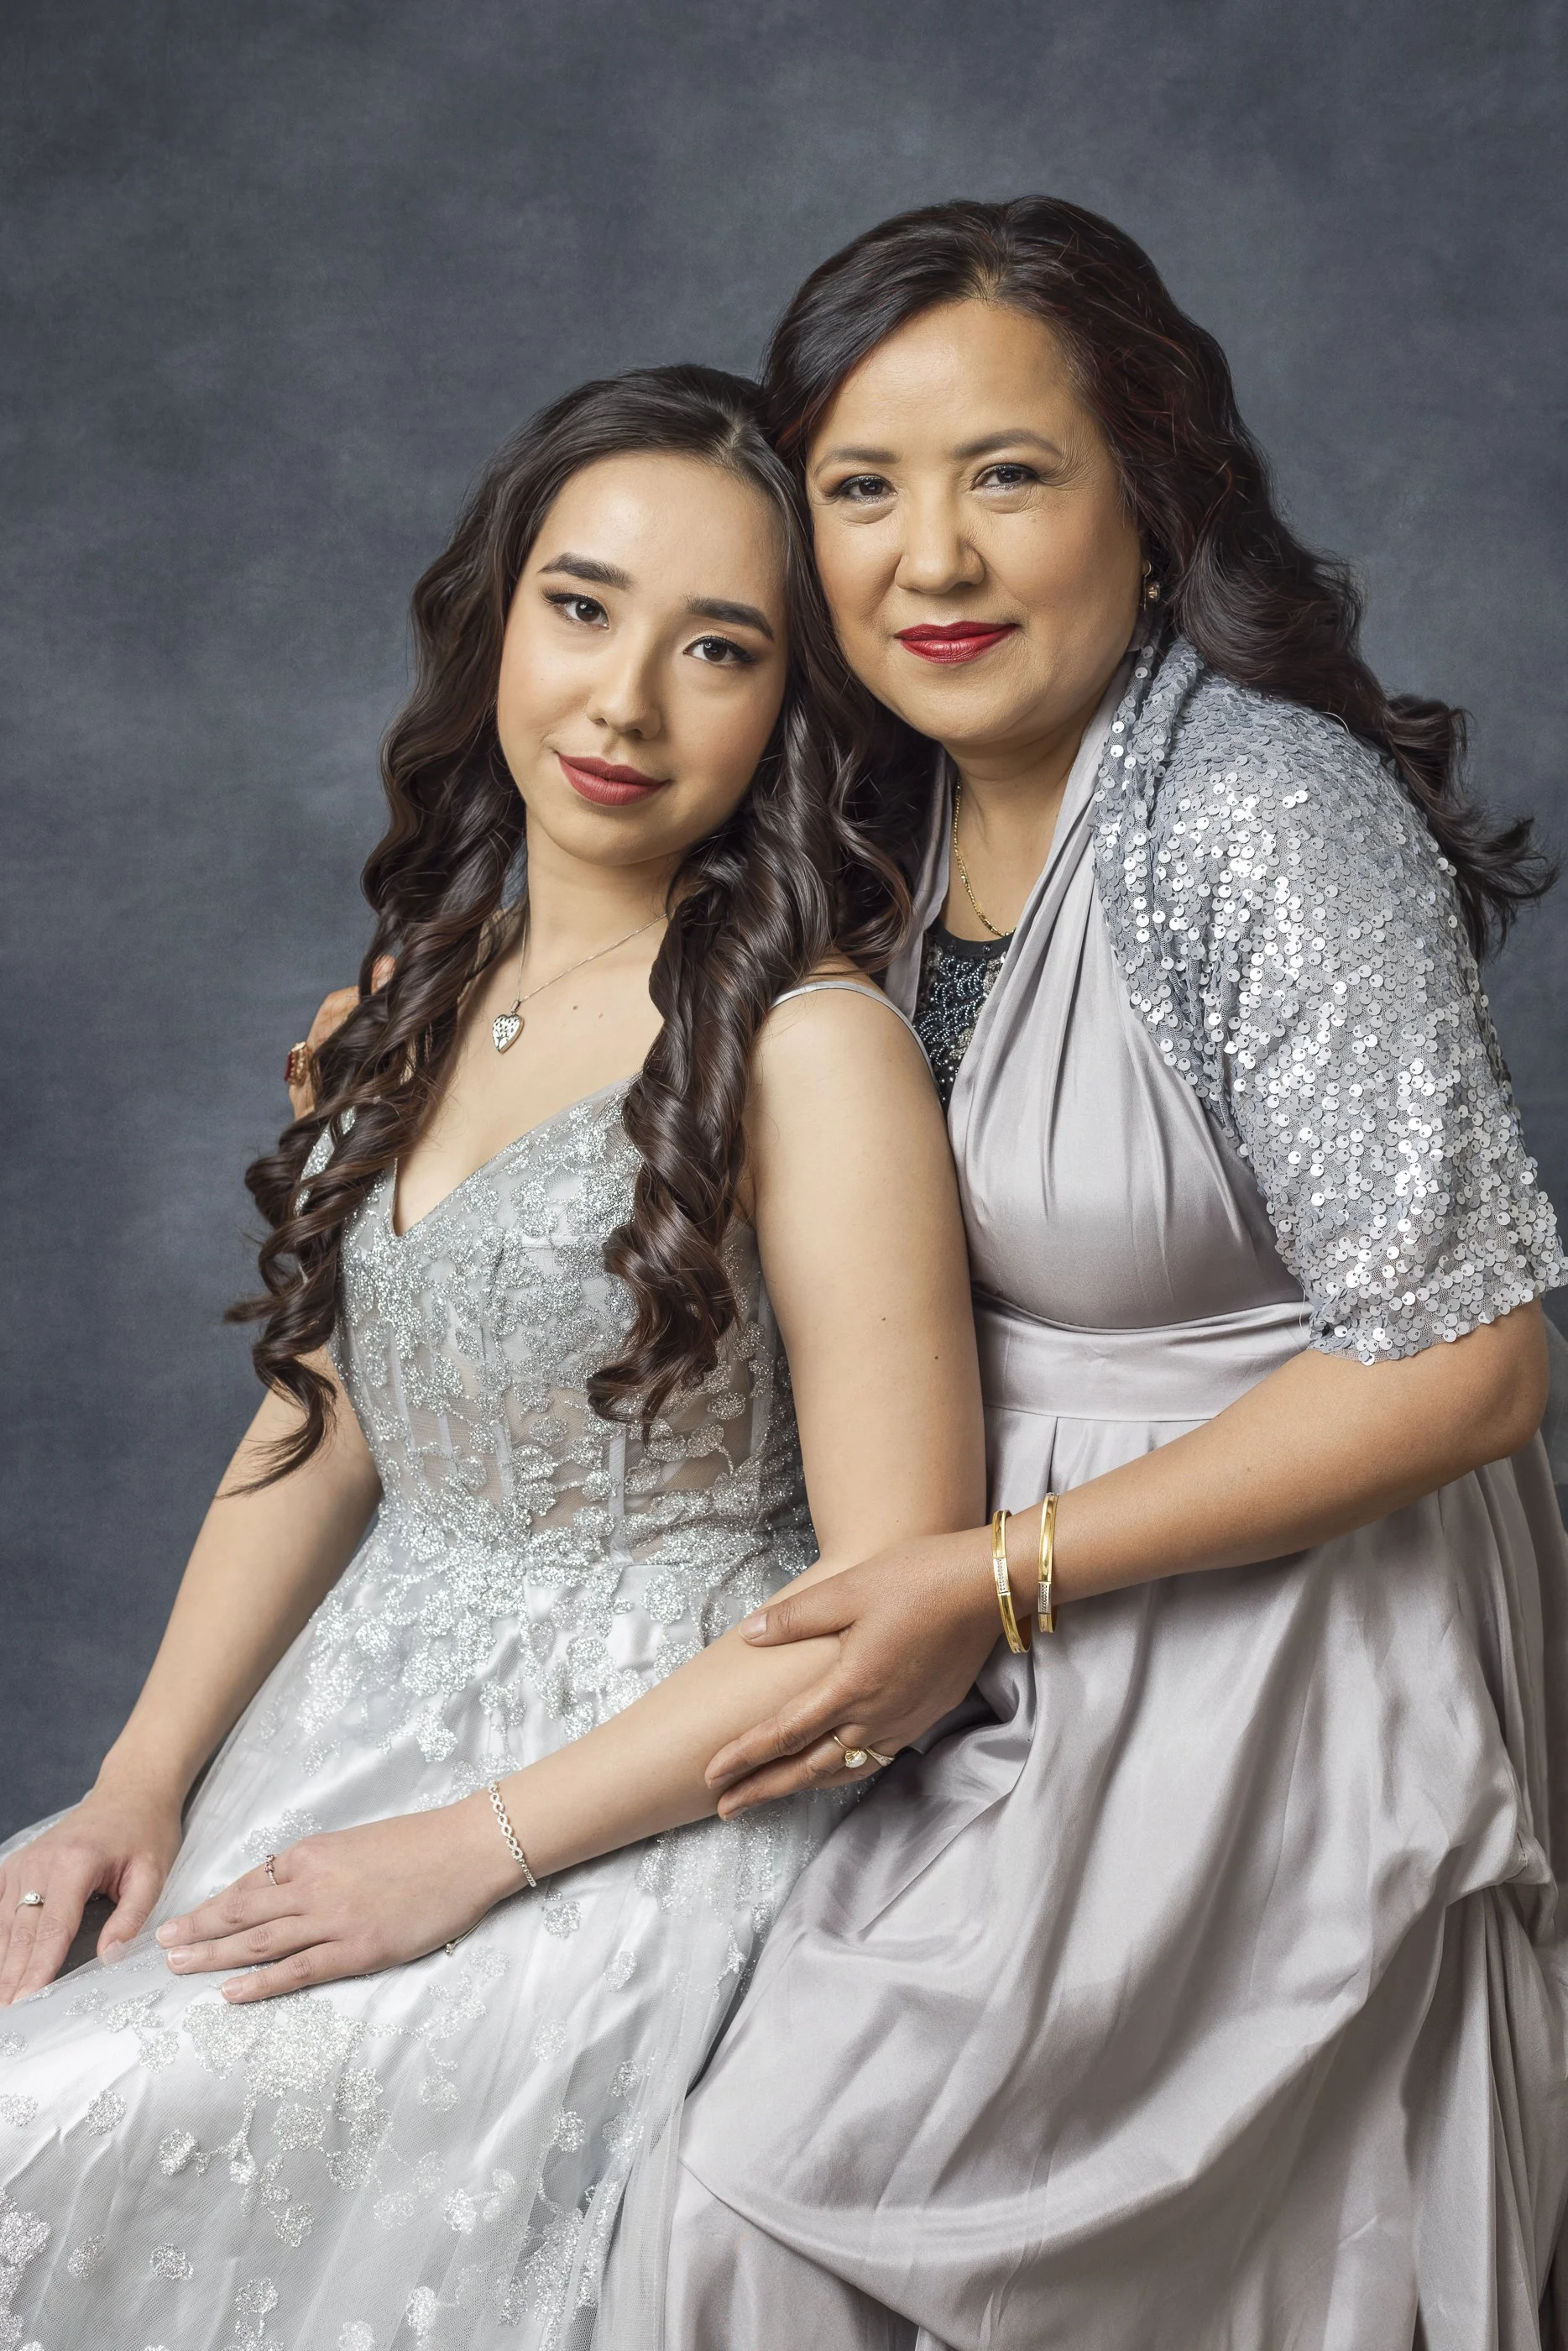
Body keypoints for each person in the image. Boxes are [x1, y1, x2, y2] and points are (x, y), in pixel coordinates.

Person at [655, 202, 1568, 2348]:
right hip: (984, 1642)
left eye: (1008, 476)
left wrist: (992, 1575)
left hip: (1282, 1662)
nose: (930, 561)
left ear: (1155, 499)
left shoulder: (1259, 809)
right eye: (863, 490)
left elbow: (1469, 1364)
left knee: (805, 2222)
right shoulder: (867, 826)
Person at [0, 366, 983, 2350]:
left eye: (719, 648)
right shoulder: (400, 1000)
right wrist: (134, 1778)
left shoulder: (815, 1045)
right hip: (341, 1736)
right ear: (498, 617)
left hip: (636, 1799)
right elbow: (328, 1417)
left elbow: (896, 1613)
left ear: (794, 706)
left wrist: (476, 1851)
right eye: (582, 606)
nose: (623, 702)